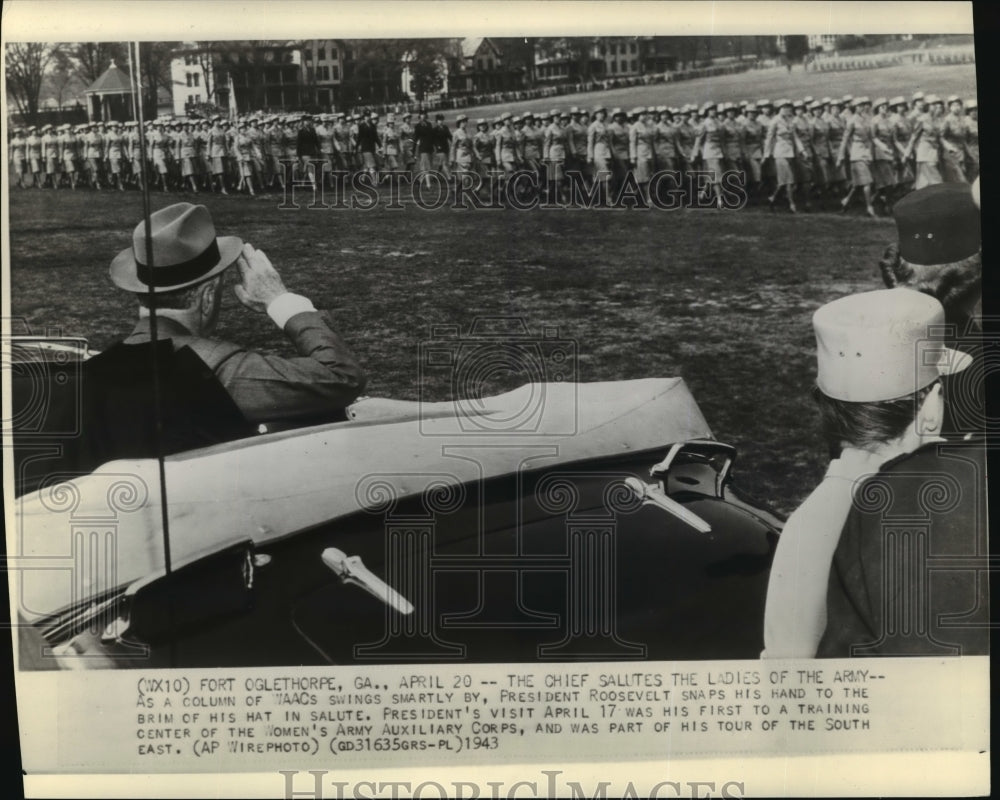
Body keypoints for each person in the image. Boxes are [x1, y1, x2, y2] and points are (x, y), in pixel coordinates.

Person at [47, 202, 367, 480]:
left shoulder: (88, 373)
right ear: (207, 295)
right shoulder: (216, 367)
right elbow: (341, 376)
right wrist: (278, 299)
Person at [762, 287, 971, 659]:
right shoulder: (961, 502)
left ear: (827, 410)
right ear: (932, 406)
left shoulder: (809, 525)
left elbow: (788, 676)